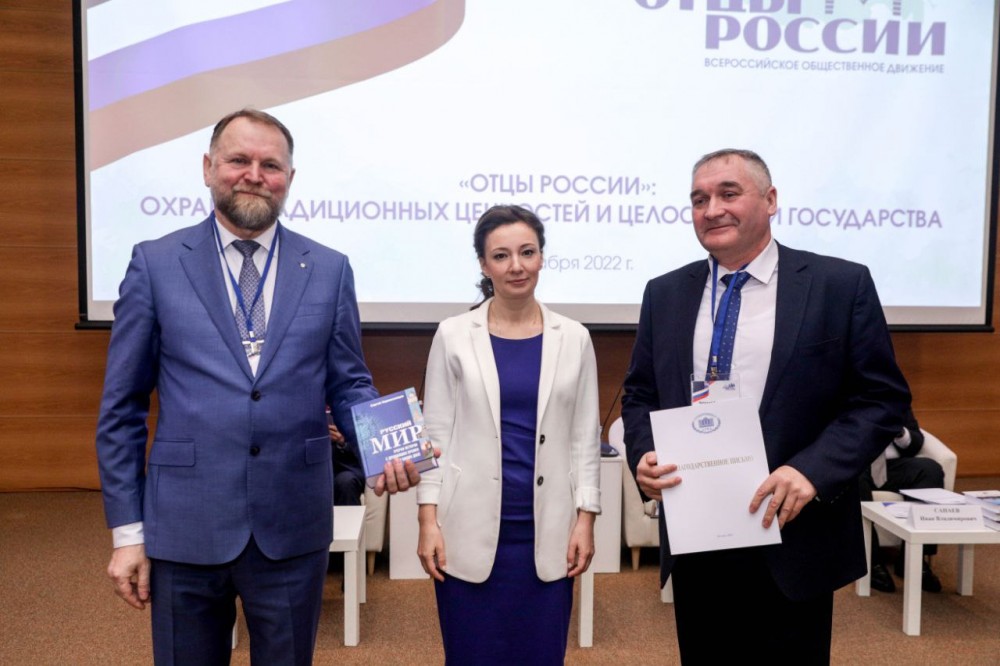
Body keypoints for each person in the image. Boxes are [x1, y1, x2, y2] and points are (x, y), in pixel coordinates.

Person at [95, 108, 423, 666]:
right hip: (185, 522)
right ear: (208, 167)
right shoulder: (155, 264)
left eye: (270, 165)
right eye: (238, 160)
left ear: (289, 178)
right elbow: (121, 409)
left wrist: (388, 448)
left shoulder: (329, 269)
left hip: (292, 522)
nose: (254, 175)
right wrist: (128, 533)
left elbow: (348, 382)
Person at [621, 149, 911, 664]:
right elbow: (641, 393)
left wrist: (813, 471)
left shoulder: (838, 285)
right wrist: (643, 454)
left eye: (728, 194)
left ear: (771, 200)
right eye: (699, 200)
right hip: (698, 536)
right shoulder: (665, 293)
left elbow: (880, 399)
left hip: (794, 534)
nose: (712, 209)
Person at [416, 205, 601, 664]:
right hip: (467, 528)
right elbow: (434, 434)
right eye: (501, 256)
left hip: (549, 530)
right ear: (484, 264)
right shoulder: (453, 335)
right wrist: (427, 521)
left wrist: (586, 518)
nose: (516, 266)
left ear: (542, 257)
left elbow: (584, 438)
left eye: (527, 252)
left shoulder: (574, 337)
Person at [860, 408, 945, 593]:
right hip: (859, 463)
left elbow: (916, 442)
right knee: (853, 479)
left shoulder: (895, 399)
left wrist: (900, 432)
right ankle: (871, 561)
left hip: (892, 466)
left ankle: (914, 559)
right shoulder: (847, 399)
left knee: (929, 470)